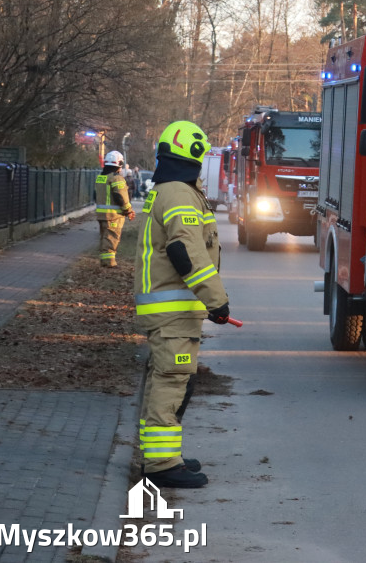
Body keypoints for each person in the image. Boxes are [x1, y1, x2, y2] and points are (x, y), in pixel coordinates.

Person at [134, 120, 230, 489]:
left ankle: (161, 453)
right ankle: (161, 465)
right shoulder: (178, 193)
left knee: (170, 381)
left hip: (171, 309)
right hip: (172, 310)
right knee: (172, 382)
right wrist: (217, 300)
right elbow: (185, 251)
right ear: (193, 154)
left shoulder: (170, 189)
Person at [94, 150, 135, 267]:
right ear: (119, 164)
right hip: (113, 215)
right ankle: (109, 263)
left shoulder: (100, 177)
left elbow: (95, 195)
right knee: (111, 238)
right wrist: (128, 211)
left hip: (101, 215)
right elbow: (120, 196)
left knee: (104, 237)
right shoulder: (117, 179)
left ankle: (104, 261)